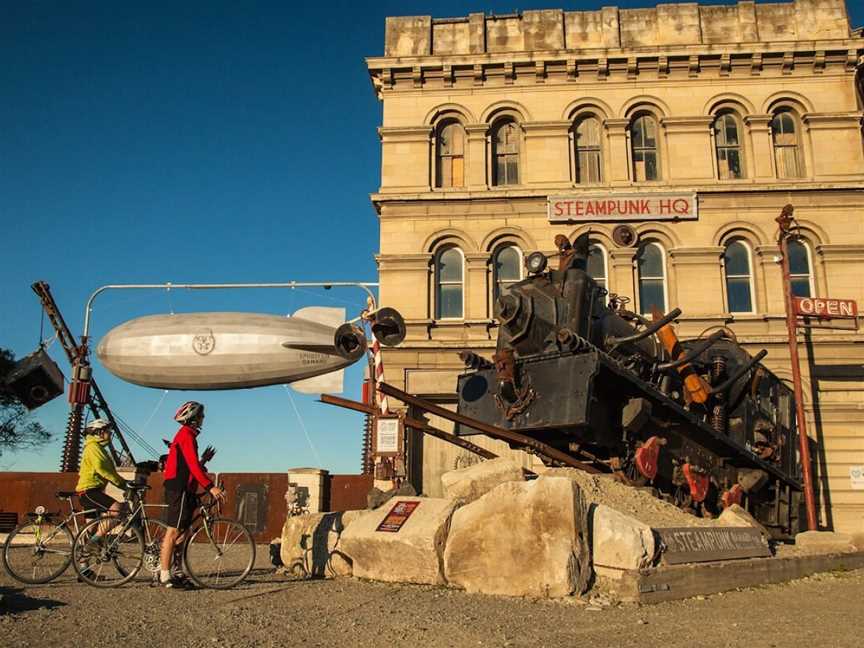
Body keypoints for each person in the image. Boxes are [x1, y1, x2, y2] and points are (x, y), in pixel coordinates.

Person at [159, 401, 224, 588]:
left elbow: (191, 464)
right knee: (173, 532)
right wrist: (210, 486)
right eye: (201, 416)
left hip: (186, 488)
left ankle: (178, 572)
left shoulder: (188, 436)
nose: (203, 419)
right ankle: (165, 575)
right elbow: (192, 467)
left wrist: (203, 460)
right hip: (178, 488)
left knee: (183, 532)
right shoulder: (186, 435)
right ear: (193, 418)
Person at [75, 418, 127, 525]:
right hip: (90, 491)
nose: (110, 434)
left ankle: (91, 540)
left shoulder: (97, 448)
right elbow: (104, 469)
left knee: (91, 528)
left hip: (93, 491)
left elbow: (108, 470)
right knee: (117, 510)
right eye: (108, 431)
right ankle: (98, 537)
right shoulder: (93, 447)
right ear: (99, 432)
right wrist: (123, 484)